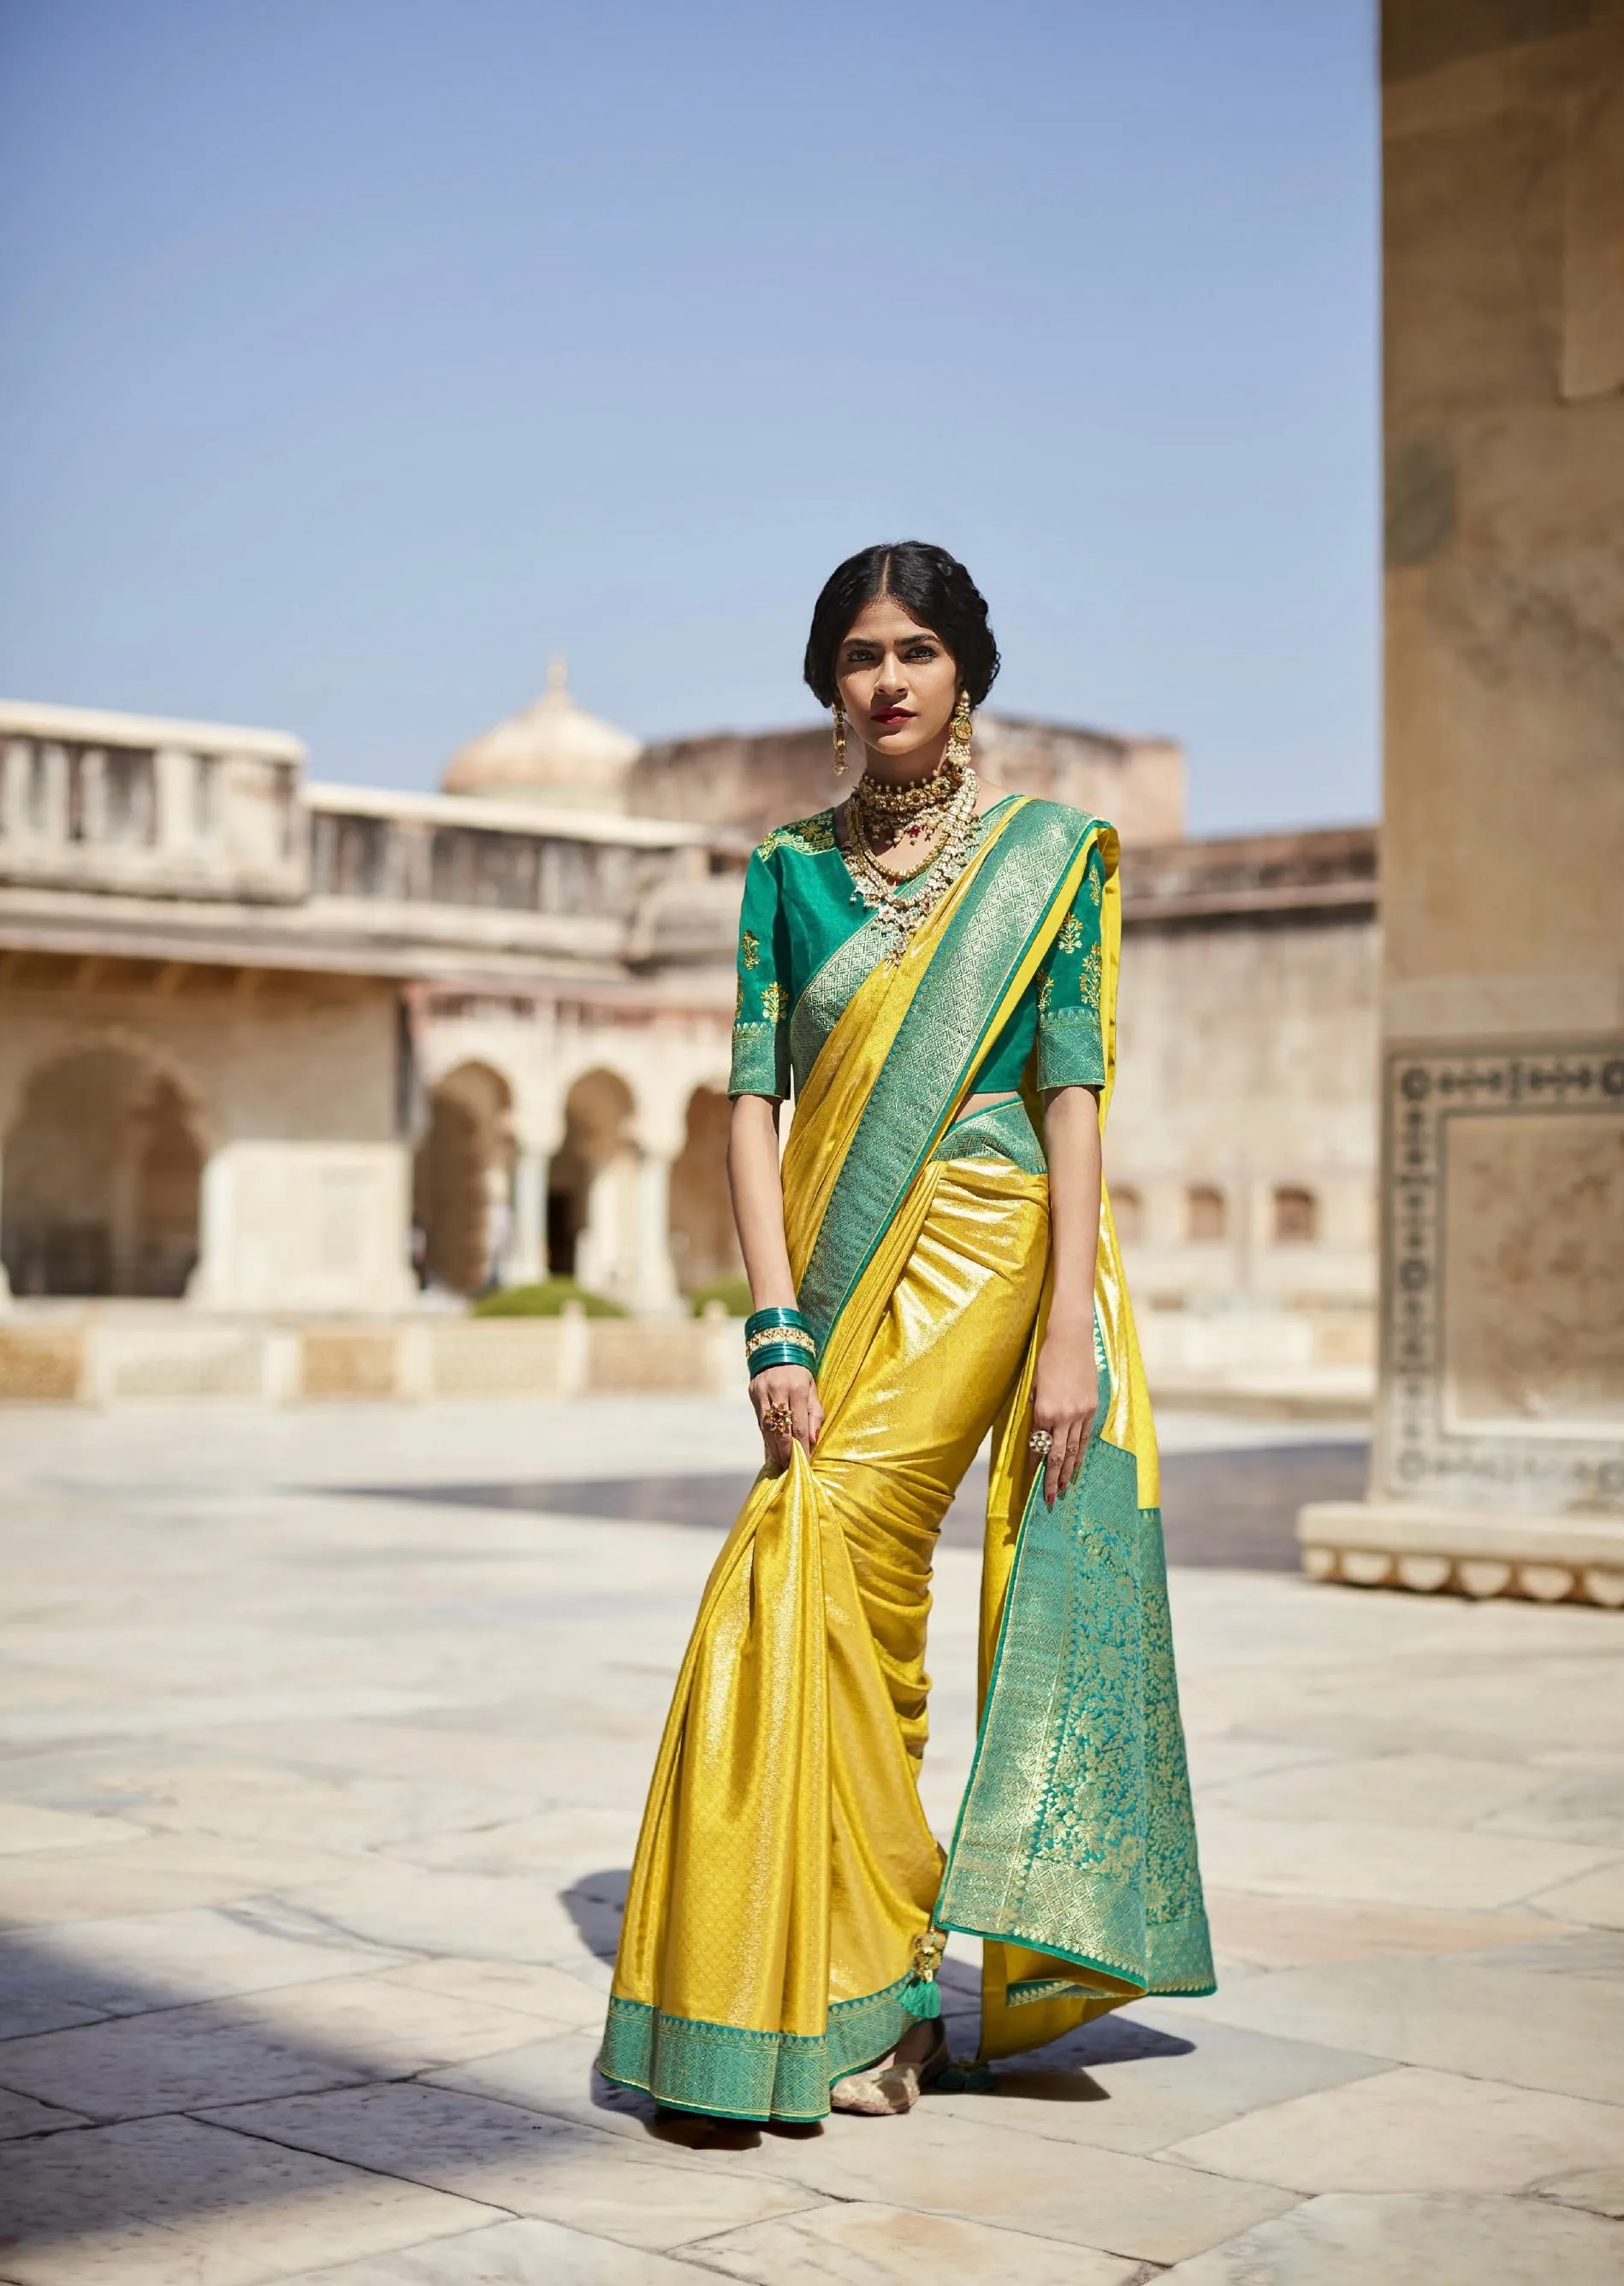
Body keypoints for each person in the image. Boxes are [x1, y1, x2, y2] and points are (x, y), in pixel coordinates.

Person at [602, 542, 1212, 2123]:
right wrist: (771, 1323)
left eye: (917, 651)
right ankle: (860, 1985)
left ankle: (877, 1963)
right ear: (828, 683)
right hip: (832, 1262)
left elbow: (1073, 1095)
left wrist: (1066, 1324)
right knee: (821, 1579)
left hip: (994, 1243)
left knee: (836, 1538)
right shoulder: (783, 871)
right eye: (861, 653)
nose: (887, 679)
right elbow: (755, 1105)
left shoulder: (1049, 856)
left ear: (966, 679)